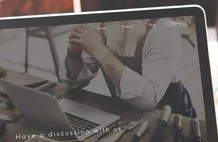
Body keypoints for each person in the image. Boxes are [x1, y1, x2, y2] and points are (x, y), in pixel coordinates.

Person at [61, 18, 196, 117]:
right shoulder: (102, 24)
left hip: (171, 115)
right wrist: (74, 54)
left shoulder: (164, 29)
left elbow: (149, 99)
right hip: (126, 113)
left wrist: (100, 50)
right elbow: (78, 82)